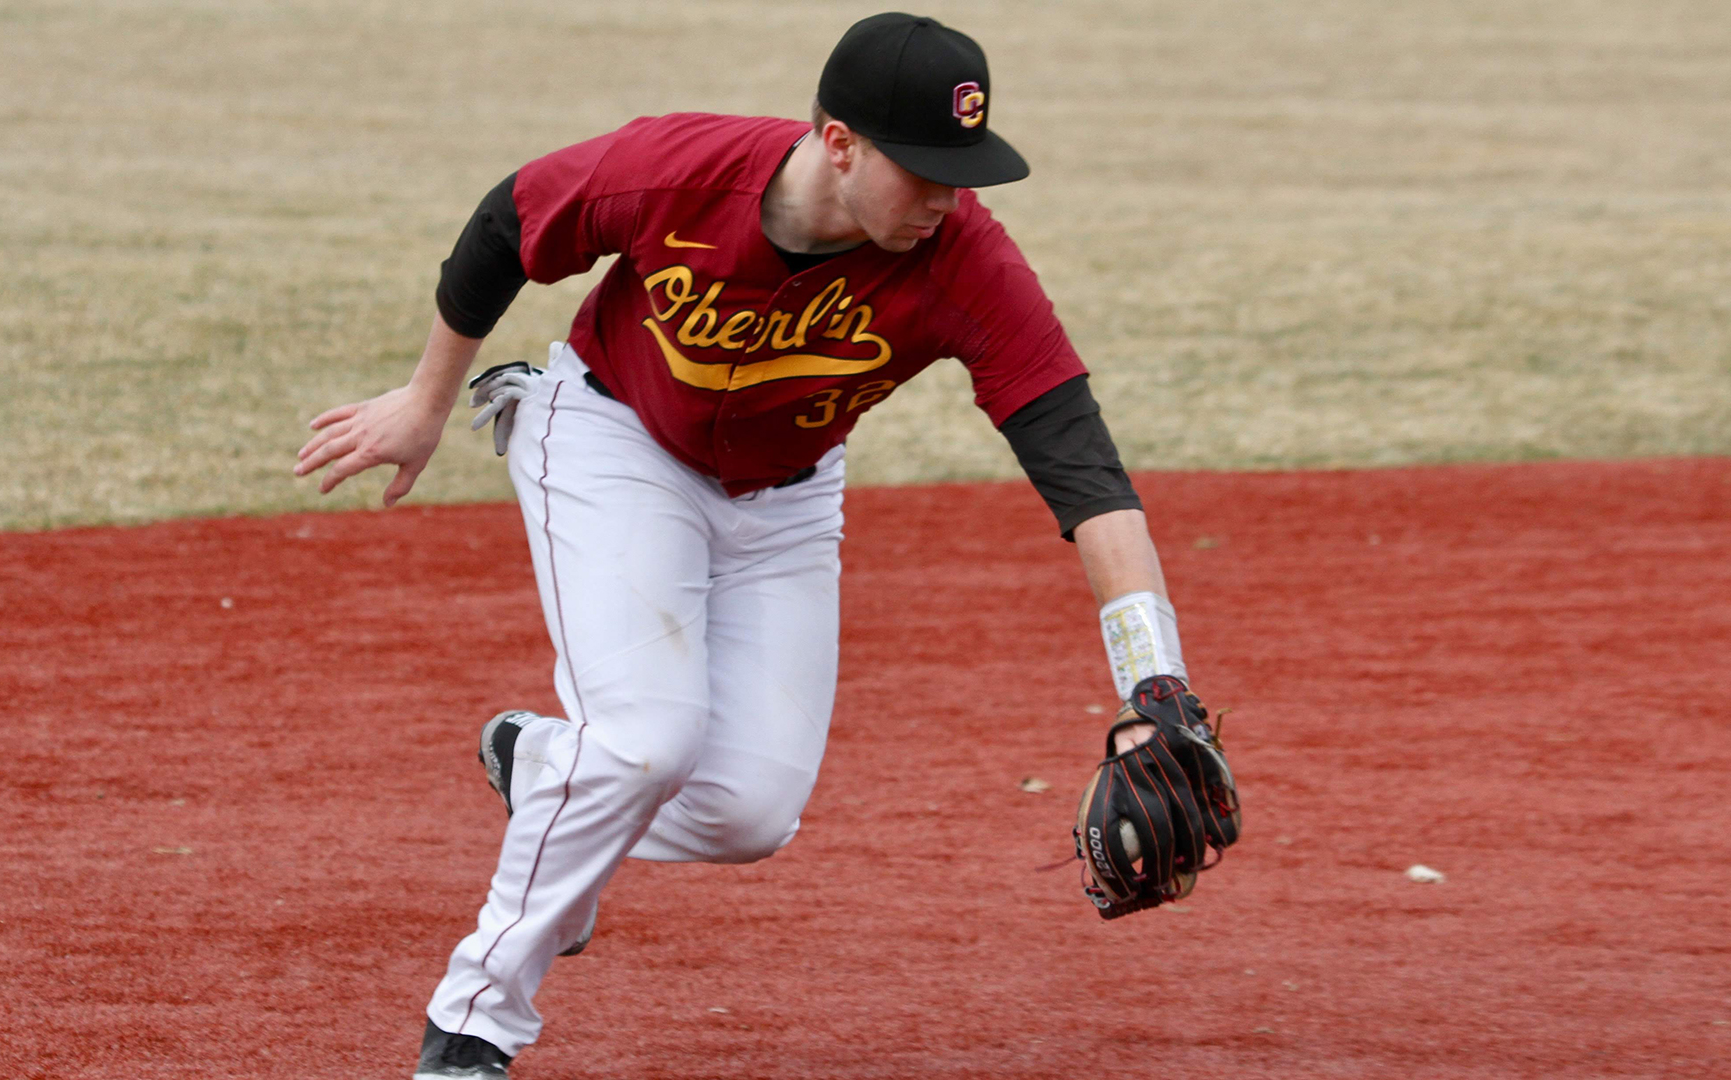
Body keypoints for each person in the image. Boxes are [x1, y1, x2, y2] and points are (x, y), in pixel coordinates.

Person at [296, 13, 1197, 1078]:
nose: (950, 200)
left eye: (966, 173)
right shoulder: (681, 173)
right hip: (610, 439)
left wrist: (1157, 686)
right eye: (925, 172)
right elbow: (510, 222)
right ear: (838, 141)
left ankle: (539, 767)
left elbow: (1079, 464)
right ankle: (474, 1024)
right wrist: (426, 400)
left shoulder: (962, 256)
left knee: (749, 812)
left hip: (787, 500)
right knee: (648, 740)